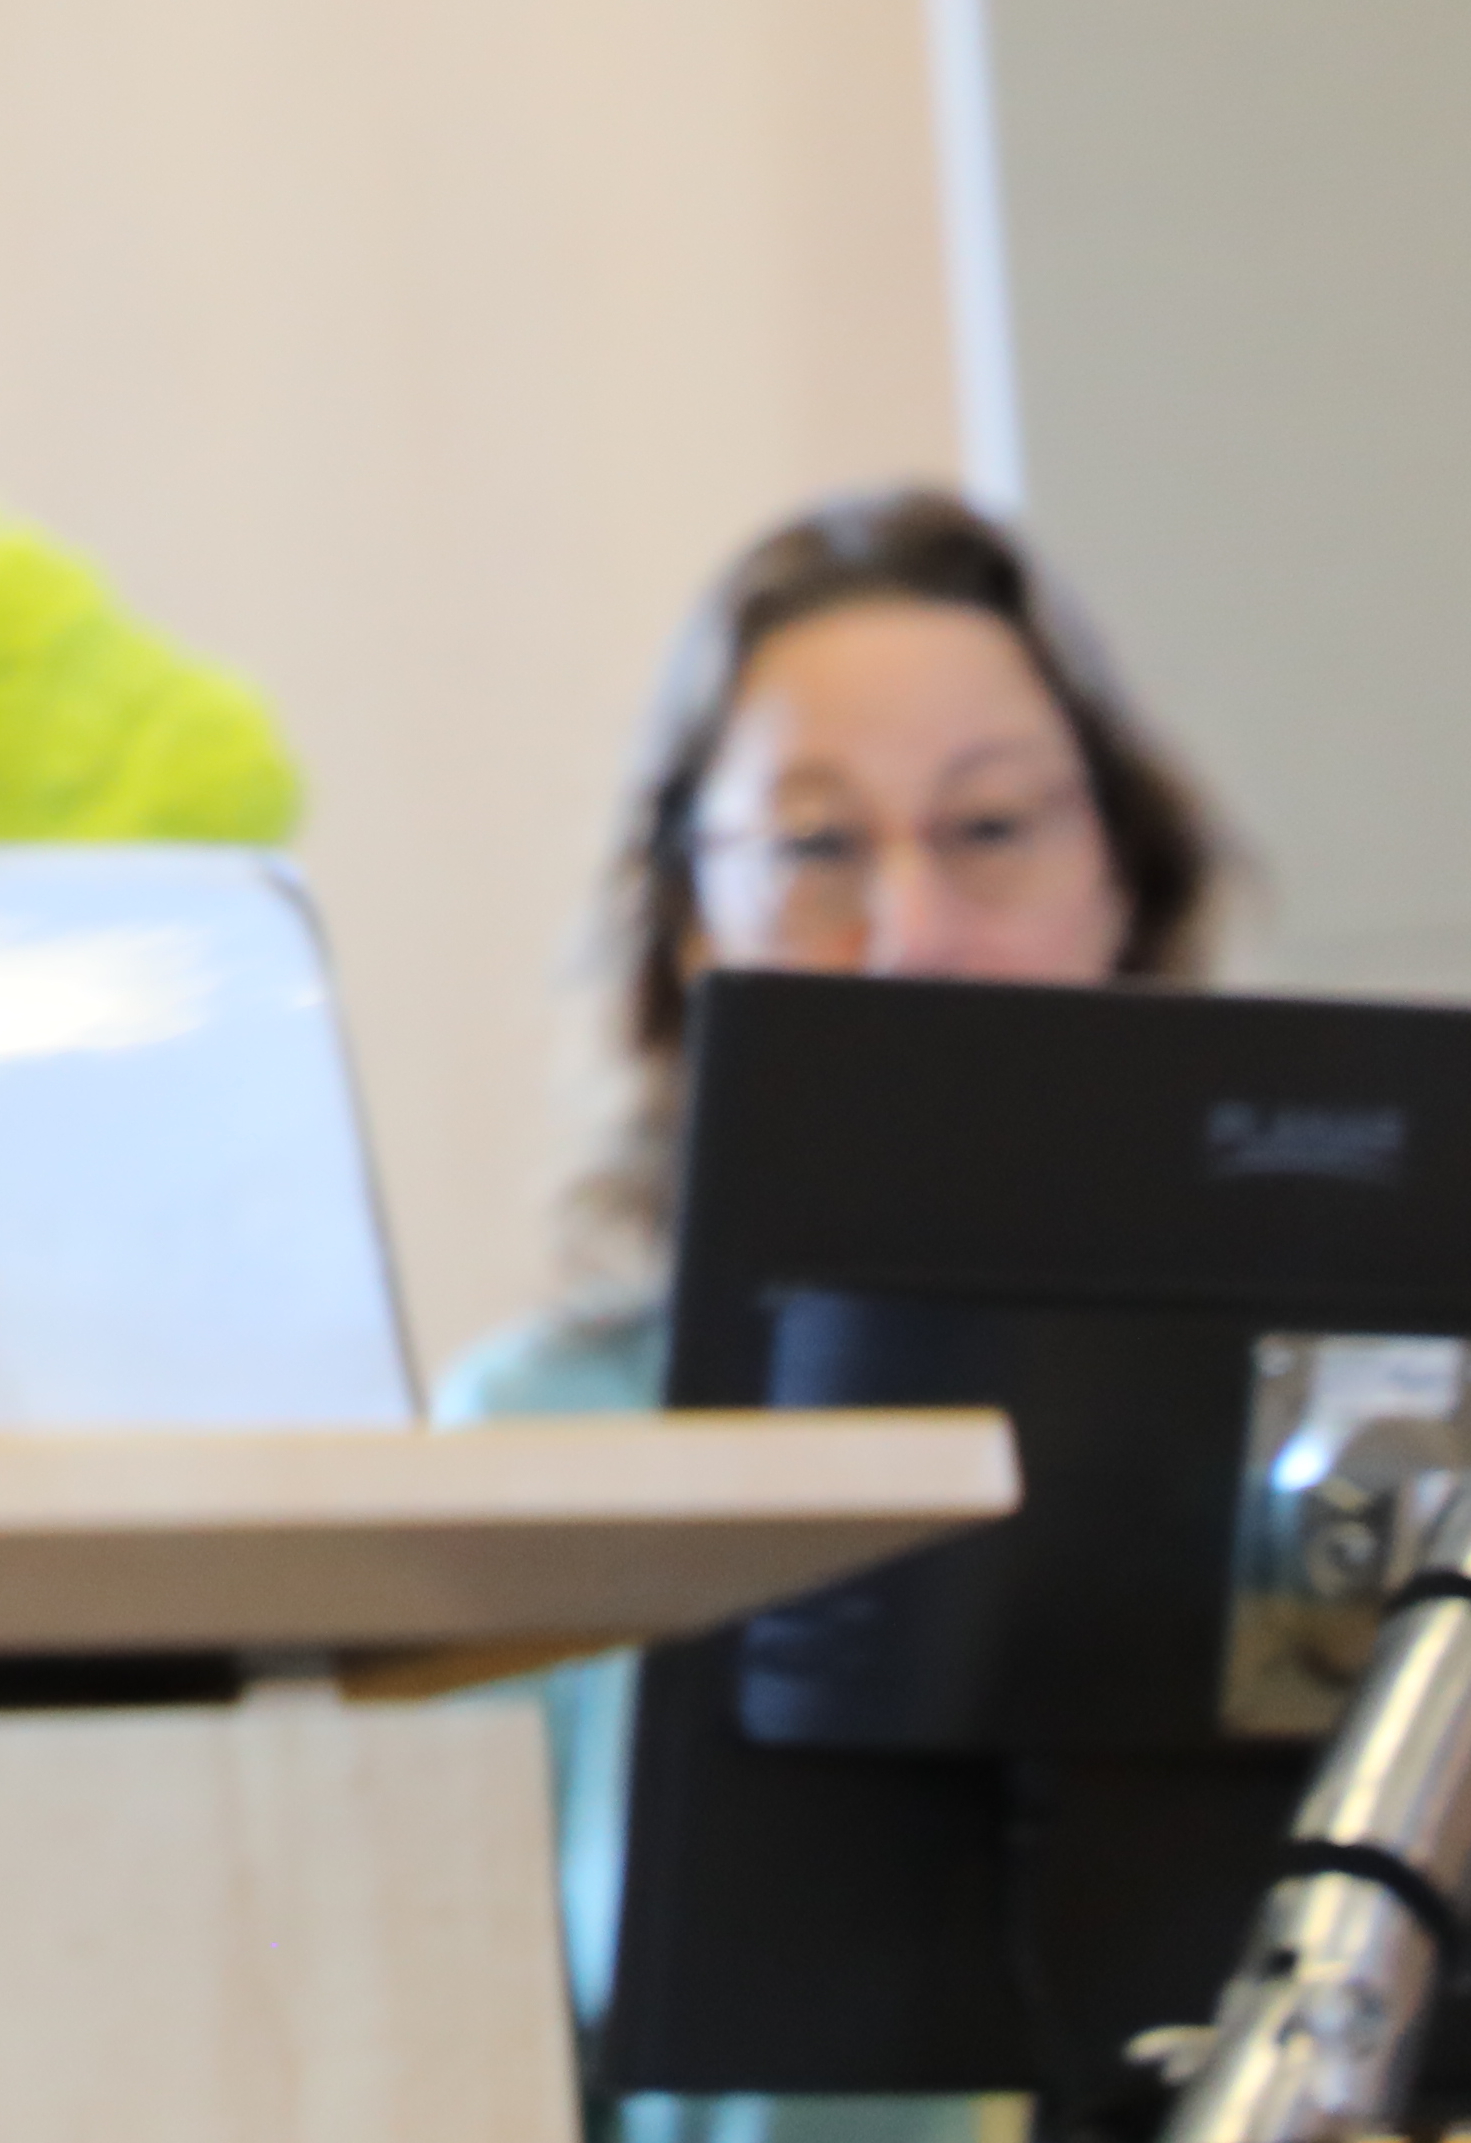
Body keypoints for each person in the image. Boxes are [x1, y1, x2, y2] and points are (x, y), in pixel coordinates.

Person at [434, 482, 1237, 2139]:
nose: (909, 936)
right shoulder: (537, 1444)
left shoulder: (1304, 1412)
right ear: (688, 927)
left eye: (990, 830)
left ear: (1123, 882)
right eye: (813, 848)